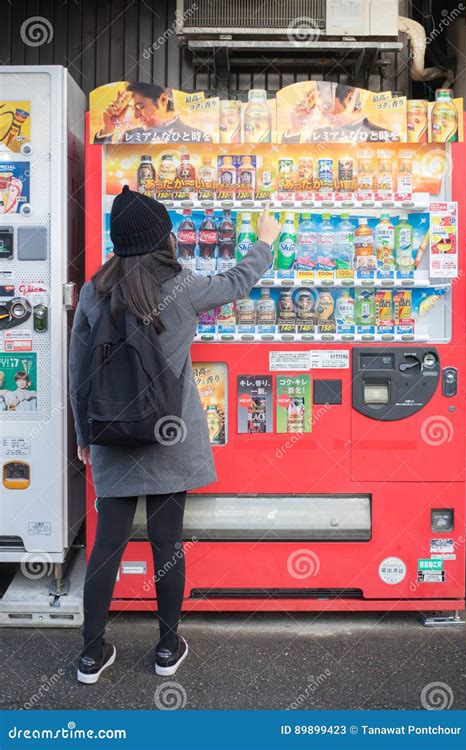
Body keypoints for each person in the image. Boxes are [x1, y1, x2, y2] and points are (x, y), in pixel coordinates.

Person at [69, 188, 280, 684]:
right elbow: (235, 283)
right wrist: (264, 243)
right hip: (170, 435)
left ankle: (91, 655)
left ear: (119, 242)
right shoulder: (180, 287)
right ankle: (167, 648)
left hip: (112, 438)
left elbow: (79, 375)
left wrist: (84, 435)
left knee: (106, 547)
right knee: (168, 545)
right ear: (162, 237)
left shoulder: (93, 291)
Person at [93, 82, 211, 144]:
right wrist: (108, 129)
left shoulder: (200, 138)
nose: (136, 116)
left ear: (163, 100)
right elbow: (101, 170)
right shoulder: (128, 137)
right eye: (134, 109)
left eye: (140, 107)